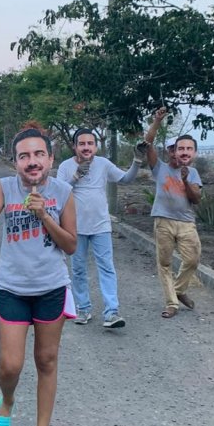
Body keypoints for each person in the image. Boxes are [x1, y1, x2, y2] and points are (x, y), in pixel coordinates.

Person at [0, 124, 77, 426]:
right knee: (11, 365)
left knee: (46, 361)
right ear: (15, 161)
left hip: (51, 287)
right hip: (12, 288)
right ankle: (7, 401)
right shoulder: (6, 187)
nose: (32, 162)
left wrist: (45, 215)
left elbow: (71, 245)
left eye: (38, 155)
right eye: (24, 156)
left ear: (50, 158)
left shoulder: (63, 192)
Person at [56, 129, 142, 329]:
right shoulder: (66, 166)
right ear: (75, 146)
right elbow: (58, 193)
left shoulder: (103, 164)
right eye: (82, 143)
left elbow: (126, 179)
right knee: (78, 269)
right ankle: (83, 308)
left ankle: (111, 312)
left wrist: (137, 161)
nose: (86, 147)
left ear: (95, 146)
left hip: (101, 226)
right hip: (75, 228)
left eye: (90, 143)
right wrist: (76, 176)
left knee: (106, 267)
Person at [144, 108, 203, 319]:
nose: (179, 153)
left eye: (187, 149)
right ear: (171, 152)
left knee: (192, 260)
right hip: (163, 221)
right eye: (175, 149)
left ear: (192, 153)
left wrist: (185, 180)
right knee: (165, 263)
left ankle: (178, 290)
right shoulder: (159, 168)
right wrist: (157, 121)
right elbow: (147, 143)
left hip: (186, 223)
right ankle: (171, 303)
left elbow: (196, 199)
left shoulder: (193, 172)